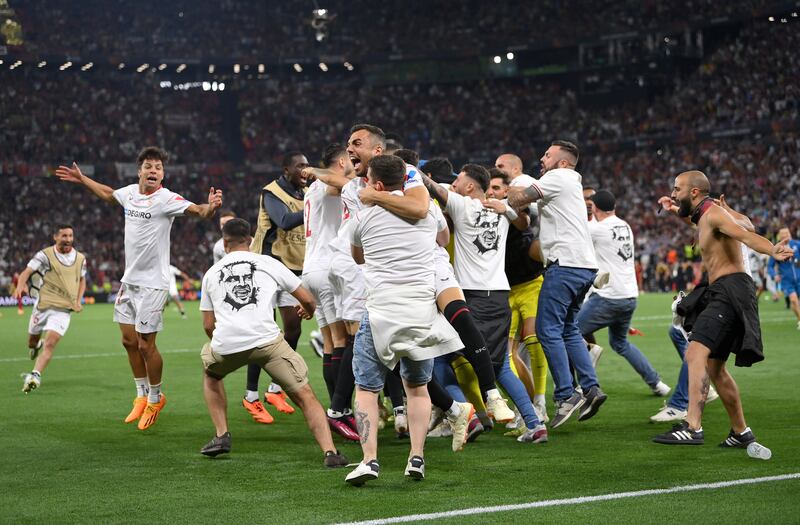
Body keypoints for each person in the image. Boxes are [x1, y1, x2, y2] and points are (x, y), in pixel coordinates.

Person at [55, 147, 222, 430]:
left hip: (153, 284)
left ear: (163, 174)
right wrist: (83, 179)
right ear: (139, 171)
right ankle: (141, 395)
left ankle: (156, 398)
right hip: (129, 281)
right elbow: (109, 194)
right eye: (148, 166)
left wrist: (211, 208)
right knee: (128, 342)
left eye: (158, 167)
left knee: (147, 345)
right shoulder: (130, 193)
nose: (153, 170)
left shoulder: (167, 198)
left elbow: (199, 211)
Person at [345, 155, 464, 485]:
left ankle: (370, 460)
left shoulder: (363, 216)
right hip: (420, 310)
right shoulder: (429, 212)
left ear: (377, 185)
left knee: (367, 390)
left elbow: (358, 257)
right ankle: (416, 457)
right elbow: (444, 240)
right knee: (418, 388)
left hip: (380, 311)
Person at [652, 171, 793, 445]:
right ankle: (741, 432)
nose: (673, 193)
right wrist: (673, 211)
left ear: (694, 192)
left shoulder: (715, 214)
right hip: (724, 290)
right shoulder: (705, 217)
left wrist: (772, 250)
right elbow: (712, 223)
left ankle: (692, 426)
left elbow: (746, 234)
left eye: (677, 189)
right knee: (715, 368)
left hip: (730, 291)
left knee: (695, 354)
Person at [198, 218, 348, 468]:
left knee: (211, 376)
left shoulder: (211, 273)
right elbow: (306, 298)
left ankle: (222, 435)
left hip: (227, 345)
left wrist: (225, 341)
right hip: (268, 343)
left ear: (224, 243)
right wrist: (308, 311)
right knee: (305, 395)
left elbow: (207, 324)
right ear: (251, 240)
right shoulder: (267, 262)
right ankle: (330, 453)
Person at [422, 164, 547, 443]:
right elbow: (526, 221)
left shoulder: (462, 205)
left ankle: (470, 417)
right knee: (499, 364)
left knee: (442, 359)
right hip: (500, 294)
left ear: (469, 186)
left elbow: (434, 187)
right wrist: (508, 209)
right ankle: (533, 422)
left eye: (459, 182)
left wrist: (408, 169)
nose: (454, 185)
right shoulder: (499, 208)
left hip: (473, 297)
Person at [507, 140, 607, 428]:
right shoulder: (568, 183)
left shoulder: (557, 177)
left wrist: (500, 190)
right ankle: (590, 388)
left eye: (548, 155)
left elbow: (519, 199)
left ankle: (566, 394)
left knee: (546, 329)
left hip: (564, 264)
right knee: (567, 328)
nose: (542, 158)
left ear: (563, 162)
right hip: (583, 266)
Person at [576, 190, 670, 395]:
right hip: (629, 296)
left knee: (571, 331)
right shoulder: (625, 225)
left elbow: (578, 233)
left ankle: (583, 383)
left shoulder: (598, 230)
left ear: (595, 208)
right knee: (620, 343)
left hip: (608, 297)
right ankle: (656, 383)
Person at [300, 143, 360, 441]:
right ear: (340, 161)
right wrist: (318, 171)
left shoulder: (311, 191)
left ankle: (339, 410)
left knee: (328, 343)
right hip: (327, 269)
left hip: (310, 268)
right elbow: (343, 184)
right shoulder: (326, 183)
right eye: (350, 159)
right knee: (344, 340)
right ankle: (342, 410)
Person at [249, 151, 310, 416]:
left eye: (307, 165)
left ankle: (274, 389)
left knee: (293, 329)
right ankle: (251, 394)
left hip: (293, 268)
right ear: (286, 170)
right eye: (299, 166)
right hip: (266, 265)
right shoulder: (272, 192)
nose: (305, 170)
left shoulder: (307, 193)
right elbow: (283, 221)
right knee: (263, 331)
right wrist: (313, 208)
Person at [490, 164, 550, 423]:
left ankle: (541, 402)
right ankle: (525, 404)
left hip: (530, 283)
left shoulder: (518, 207)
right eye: (489, 187)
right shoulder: (481, 210)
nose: (492, 192)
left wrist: (506, 205)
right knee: (506, 353)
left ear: (507, 189)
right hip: (504, 288)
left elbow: (523, 221)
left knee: (534, 339)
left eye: (497, 187)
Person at [15, 224, 86, 393]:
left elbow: (82, 280)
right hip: (43, 306)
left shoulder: (81, 258)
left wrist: (78, 300)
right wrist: (20, 286)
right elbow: (26, 272)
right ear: (55, 237)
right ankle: (35, 345)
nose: (68, 239)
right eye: (64, 236)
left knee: (51, 343)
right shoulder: (44, 255)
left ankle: (35, 375)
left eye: (70, 235)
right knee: (32, 342)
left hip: (63, 309)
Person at [769, 227, 800, 329]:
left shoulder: (796, 245)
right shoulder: (777, 249)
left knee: (795, 303)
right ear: (780, 236)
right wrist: (774, 275)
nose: (786, 235)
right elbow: (770, 266)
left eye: (787, 233)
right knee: (794, 300)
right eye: (783, 234)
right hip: (787, 280)